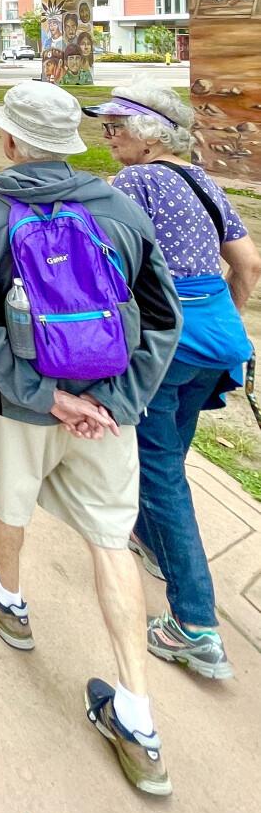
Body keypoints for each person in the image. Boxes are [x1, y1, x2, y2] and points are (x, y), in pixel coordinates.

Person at [0, 82, 182, 798]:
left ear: (13, 141)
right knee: (112, 541)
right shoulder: (118, 207)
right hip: (110, 407)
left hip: (17, 404)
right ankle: (137, 714)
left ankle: (11, 601)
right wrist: (118, 401)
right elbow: (161, 315)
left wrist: (46, 398)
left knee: (5, 499)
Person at [86, 81, 261, 681]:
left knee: (160, 473)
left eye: (116, 128)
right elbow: (249, 264)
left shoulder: (134, 184)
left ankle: (195, 625)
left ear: (152, 134)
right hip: (216, 342)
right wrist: (223, 317)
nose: (106, 138)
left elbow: (102, 266)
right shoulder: (205, 182)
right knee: (170, 460)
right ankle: (153, 541)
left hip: (164, 344)